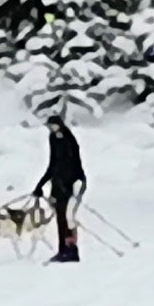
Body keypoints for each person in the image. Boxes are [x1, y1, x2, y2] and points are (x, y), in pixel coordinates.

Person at [38, 107, 87, 264]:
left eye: (54, 126)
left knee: (69, 218)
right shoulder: (53, 139)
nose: (52, 129)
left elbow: (74, 163)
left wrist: (70, 185)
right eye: (50, 127)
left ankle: (72, 250)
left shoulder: (68, 139)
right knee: (60, 219)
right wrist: (40, 185)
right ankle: (62, 250)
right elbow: (53, 164)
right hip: (58, 185)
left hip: (74, 184)